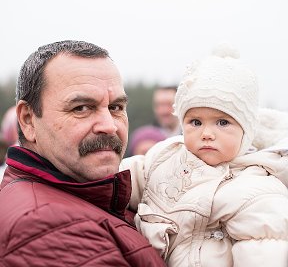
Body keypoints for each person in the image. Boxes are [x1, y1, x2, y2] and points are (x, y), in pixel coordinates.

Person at [0, 40, 166, 266]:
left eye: (115, 107)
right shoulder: (47, 227)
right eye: (81, 108)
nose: (109, 126)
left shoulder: (89, 198)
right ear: (28, 120)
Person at [120, 45, 288, 266]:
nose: (207, 134)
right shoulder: (165, 156)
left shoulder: (257, 188)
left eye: (222, 122)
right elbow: (117, 179)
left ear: (245, 130)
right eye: (195, 122)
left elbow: (264, 249)